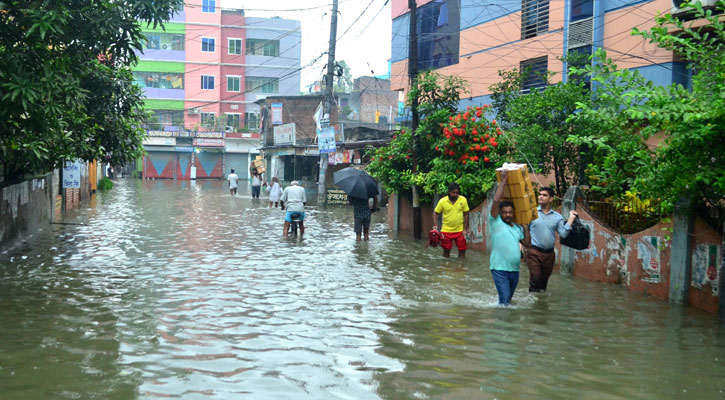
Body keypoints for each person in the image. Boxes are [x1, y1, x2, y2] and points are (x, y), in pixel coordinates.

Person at [489, 170, 530, 306]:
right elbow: (496, 201)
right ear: (500, 213)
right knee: (505, 302)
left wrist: (525, 227)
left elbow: (527, 244)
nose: (507, 215)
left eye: (510, 212)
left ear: (513, 213)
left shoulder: (517, 228)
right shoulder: (495, 222)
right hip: (499, 269)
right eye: (504, 212)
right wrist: (503, 181)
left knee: (508, 301)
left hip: (515, 270)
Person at [526, 187, 578, 292]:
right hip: (533, 252)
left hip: (549, 254)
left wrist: (571, 219)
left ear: (551, 199)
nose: (540, 196)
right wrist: (522, 247)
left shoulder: (557, 217)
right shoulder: (532, 213)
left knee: (543, 282)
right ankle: (532, 298)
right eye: (540, 194)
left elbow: (563, 234)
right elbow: (524, 230)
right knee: (535, 277)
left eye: (544, 195)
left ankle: (540, 300)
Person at [432, 182, 470, 258]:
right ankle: (446, 265)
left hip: (460, 230)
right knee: (446, 251)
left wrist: (465, 229)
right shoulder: (442, 201)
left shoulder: (463, 200)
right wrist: (435, 225)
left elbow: (466, 214)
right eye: (453, 192)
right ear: (449, 192)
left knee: (462, 250)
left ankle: (461, 264)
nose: (455, 194)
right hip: (446, 231)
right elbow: (435, 213)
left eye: (457, 192)